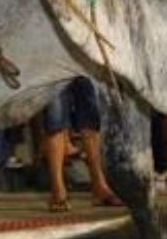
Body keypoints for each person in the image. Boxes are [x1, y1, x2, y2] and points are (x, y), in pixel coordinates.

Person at [40, 76, 123, 211]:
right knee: (55, 116)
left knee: (90, 115)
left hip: (84, 65)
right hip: (51, 67)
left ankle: (99, 186)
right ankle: (57, 190)